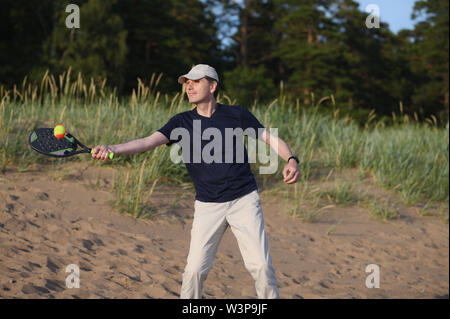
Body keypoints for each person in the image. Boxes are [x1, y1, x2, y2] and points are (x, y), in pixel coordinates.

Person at [92, 64, 300, 299]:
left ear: (212, 86)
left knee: (261, 267)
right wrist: (112, 149)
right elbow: (146, 142)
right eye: (186, 83)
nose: (189, 86)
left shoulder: (237, 114)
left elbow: (270, 139)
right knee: (193, 272)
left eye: (195, 81)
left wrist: (291, 160)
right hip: (208, 205)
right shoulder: (181, 122)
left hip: (244, 200)